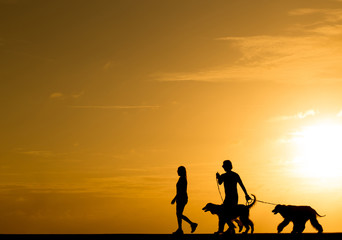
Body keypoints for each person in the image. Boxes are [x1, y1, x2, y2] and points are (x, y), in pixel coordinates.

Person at [216, 160, 251, 233]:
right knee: (229, 214)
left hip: (228, 198)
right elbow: (241, 185)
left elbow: (219, 183)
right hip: (235, 197)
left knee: (225, 214)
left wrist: (218, 177)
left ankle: (226, 229)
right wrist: (246, 194)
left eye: (224, 166)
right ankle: (231, 228)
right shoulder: (235, 175)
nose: (224, 168)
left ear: (225, 167)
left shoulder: (224, 175)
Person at [171, 166, 198, 235]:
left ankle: (190, 224)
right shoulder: (182, 178)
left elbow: (180, 191)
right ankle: (180, 228)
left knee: (179, 214)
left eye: (178, 170)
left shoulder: (182, 179)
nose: (177, 172)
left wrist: (174, 199)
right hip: (181, 197)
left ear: (181, 171)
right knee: (178, 214)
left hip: (182, 198)